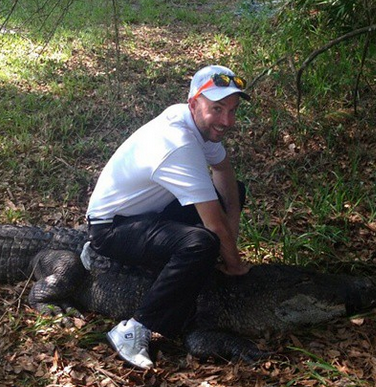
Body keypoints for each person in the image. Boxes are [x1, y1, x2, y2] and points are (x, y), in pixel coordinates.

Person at [85, 65, 252, 370]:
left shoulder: (197, 124)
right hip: (112, 228)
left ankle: (166, 262)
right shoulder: (179, 141)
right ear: (194, 104)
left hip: (149, 213)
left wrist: (233, 234)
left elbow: (224, 172)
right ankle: (135, 329)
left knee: (233, 193)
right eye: (218, 108)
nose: (227, 121)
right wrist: (235, 265)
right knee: (202, 243)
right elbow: (212, 223)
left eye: (233, 110)